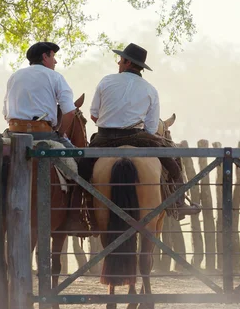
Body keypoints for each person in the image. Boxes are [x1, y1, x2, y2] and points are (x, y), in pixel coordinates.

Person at [78, 42, 201, 221]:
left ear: (127, 62)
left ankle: (76, 209)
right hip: (138, 138)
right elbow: (151, 129)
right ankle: (179, 204)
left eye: (120, 59)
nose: (118, 63)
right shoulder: (150, 90)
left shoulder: (106, 81)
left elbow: (94, 116)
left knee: (82, 169)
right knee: (174, 162)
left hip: (103, 138)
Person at [2, 41, 89, 234]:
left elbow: (5, 111)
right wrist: (60, 133)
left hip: (13, 133)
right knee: (82, 164)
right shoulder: (55, 77)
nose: (55, 61)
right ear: (45, 57)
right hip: (43, 133)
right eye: (53, 56)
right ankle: (75, 216)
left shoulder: (14, 77)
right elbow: (69, 113)